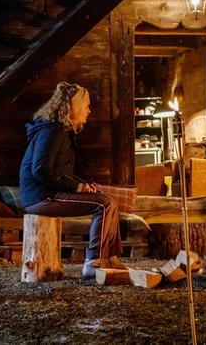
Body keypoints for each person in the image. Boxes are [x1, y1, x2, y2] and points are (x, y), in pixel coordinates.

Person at [19, 82, 126, 279]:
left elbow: (58, 171)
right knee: (103, 204)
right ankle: (93, 262)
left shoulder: (61, 131)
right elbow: (40, 170)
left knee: (107, 199)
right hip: (40, 197)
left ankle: (110, 257)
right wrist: (76, 186)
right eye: (85, 106)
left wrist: (83, 184)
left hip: (48, 193)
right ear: (73, 107)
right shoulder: (52, 131)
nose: (89, 110)